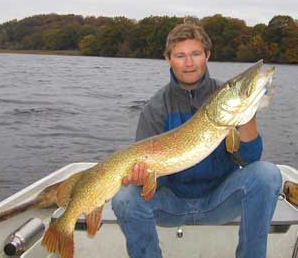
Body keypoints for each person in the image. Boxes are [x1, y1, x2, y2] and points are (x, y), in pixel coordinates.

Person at [111, 21, 282, 258]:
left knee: (267, 174)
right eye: (180, 55)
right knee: (124, 198)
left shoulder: (223, 95)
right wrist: (144, 178)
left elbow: (249, 158)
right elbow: (152, 183)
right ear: (168, 59)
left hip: (220, 200)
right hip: (171, 204)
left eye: (195, 54)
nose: (189, 63)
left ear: (207, 55)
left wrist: (247, 114)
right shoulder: (156, 108)